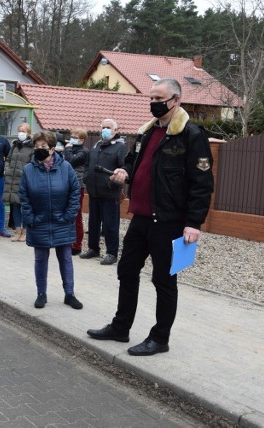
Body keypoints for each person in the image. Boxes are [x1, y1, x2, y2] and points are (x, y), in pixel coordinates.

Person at [87, 78, 214, 356]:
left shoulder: (191, 135)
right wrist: (125, 172)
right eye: (152, 99)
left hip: (170, 221)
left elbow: (202, 183)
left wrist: (194, 223)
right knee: (127, 271)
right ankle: (121, 327)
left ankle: (160, 338)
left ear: (176, 100)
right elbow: (133, 161)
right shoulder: (146, 133)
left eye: (160, 99)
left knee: (164, 280)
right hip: (141, 217)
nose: (154, 103)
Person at [19, 130, 82, 310]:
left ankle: (69, 294)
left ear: (53, 149)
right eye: (37, 146)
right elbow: (23, 195)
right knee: (40, 259)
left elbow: (74, 192)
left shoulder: (66, 167)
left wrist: (69, 216)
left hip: (62, 221)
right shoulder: (28, 169)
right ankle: (41, 293)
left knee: (66, 258)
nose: (39, 149)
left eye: (44, 146)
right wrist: (30, 218)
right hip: (39, 222)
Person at [79, 119, 128, 265]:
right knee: (93, 222)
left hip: (110, 193)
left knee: (110, 225)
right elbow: (88, 164)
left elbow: (123, 168)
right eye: (103, 128)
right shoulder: (97, 145)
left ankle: (111, 253)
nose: (105, 130)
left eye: (108, 128)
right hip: (94, 191)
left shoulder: (120, 148)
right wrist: (87, 177)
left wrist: (112, 182)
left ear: (115, 131)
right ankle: (93, 248)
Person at [2, 122, 33, 242]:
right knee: (14, 206)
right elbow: (8, 159)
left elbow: (32, 164)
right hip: (12, 180)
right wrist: (7, 169)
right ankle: (17, 231)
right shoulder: (14, 145)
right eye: (19, 130)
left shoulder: (32, 147)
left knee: (24, 207)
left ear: (28, 133)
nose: (21, 133)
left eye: (23, 131)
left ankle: (25, 232)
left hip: (24, 181)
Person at [62, 127, 89, 255]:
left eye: (75, 137)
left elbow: (70, 161)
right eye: (72, 136)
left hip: (77, 186)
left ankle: (77, 245)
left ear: (82, 140)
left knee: (76, 216)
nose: (72, 138)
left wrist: (67, 149)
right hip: (65, 185)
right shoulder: (70, 149)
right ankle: (66, 241)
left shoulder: (84, 152)